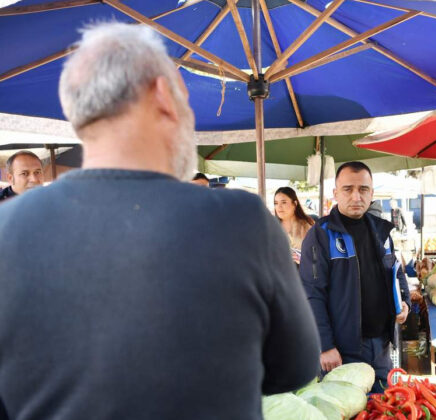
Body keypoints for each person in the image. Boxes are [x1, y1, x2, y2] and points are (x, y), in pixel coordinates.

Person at [0, 23, 319, 420]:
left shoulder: (6, 230)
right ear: (165, 96)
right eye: (188, 103)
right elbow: (297, 368)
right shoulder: (241, 221)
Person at [300, 161, 411, 393]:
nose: (356, 196)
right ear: (336, 193)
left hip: (381, 346)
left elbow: (396, 272)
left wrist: (405, 304)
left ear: (372, 193)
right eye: (348, 189)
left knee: (383, 410)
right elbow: (311, 294)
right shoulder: (321, 235)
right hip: (342, 351)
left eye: (363, 189)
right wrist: (325, 345)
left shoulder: (382, 231)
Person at [274, 186, 315, 263]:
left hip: (303, 272)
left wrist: (300, 257)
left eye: (284, 202)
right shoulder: (271, 226)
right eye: (276, 203)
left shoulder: (307, 225)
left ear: (295, 203)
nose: (279, 207)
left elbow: (318, 254)